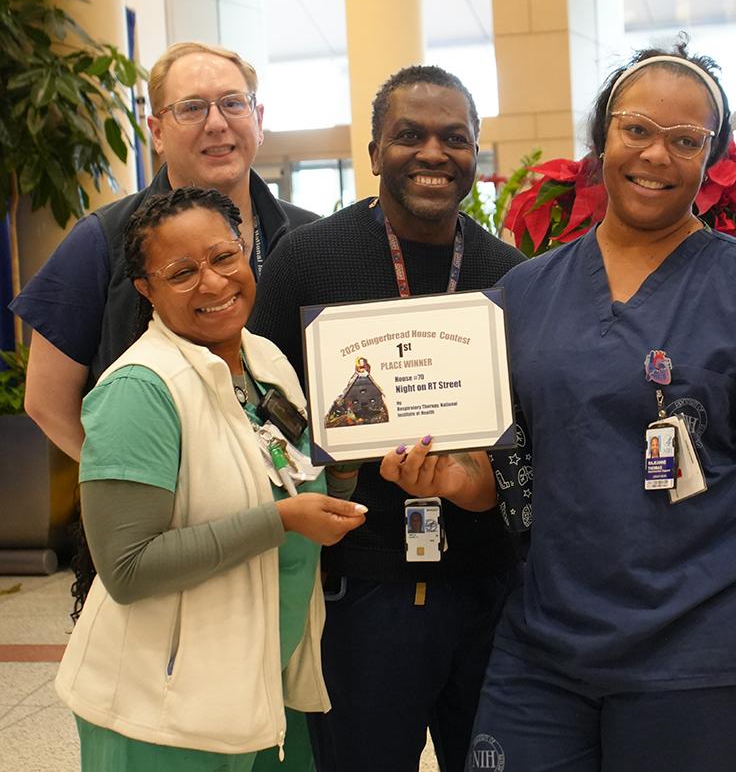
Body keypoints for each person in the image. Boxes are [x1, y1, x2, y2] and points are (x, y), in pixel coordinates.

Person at [386, 42, 736, 771]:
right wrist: (450, 480)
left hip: (709, 658)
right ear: (602, 139)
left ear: (712, 157)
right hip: (545, 651)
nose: (655, 157)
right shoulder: (525, 293)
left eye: (685, 140)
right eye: (636, 129)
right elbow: (501, 474)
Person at [249, 65, 526, 772]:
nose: (433, 153)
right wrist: (328, 467)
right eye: (409, 135)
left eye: (454, 138)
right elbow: (257, 411)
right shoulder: (307, 260)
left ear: (473, 156)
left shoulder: (511, 275)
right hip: (360, 593)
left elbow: (535, 433)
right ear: (373, 152)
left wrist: (482, 484)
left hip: (485, 591)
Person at [54, 187, 367, 771]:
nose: (214, 282)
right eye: (181, 272)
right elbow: (127, 568)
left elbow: (293, 484)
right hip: (160, 712)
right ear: (145, 290)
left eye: (225, 257)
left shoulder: (263, 360)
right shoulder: (140, 391)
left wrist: (344, 471)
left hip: (261, 685)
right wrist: (278, 522)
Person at [10, 41, 317, 464]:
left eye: (232, 103)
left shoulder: (311, 237)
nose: (216, 123)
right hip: (161, 520)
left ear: (258, 120)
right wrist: (131, 484)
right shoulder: (103, 239)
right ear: (156, 132)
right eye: (192, 108)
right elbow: (46, 399)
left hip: (298, 505)